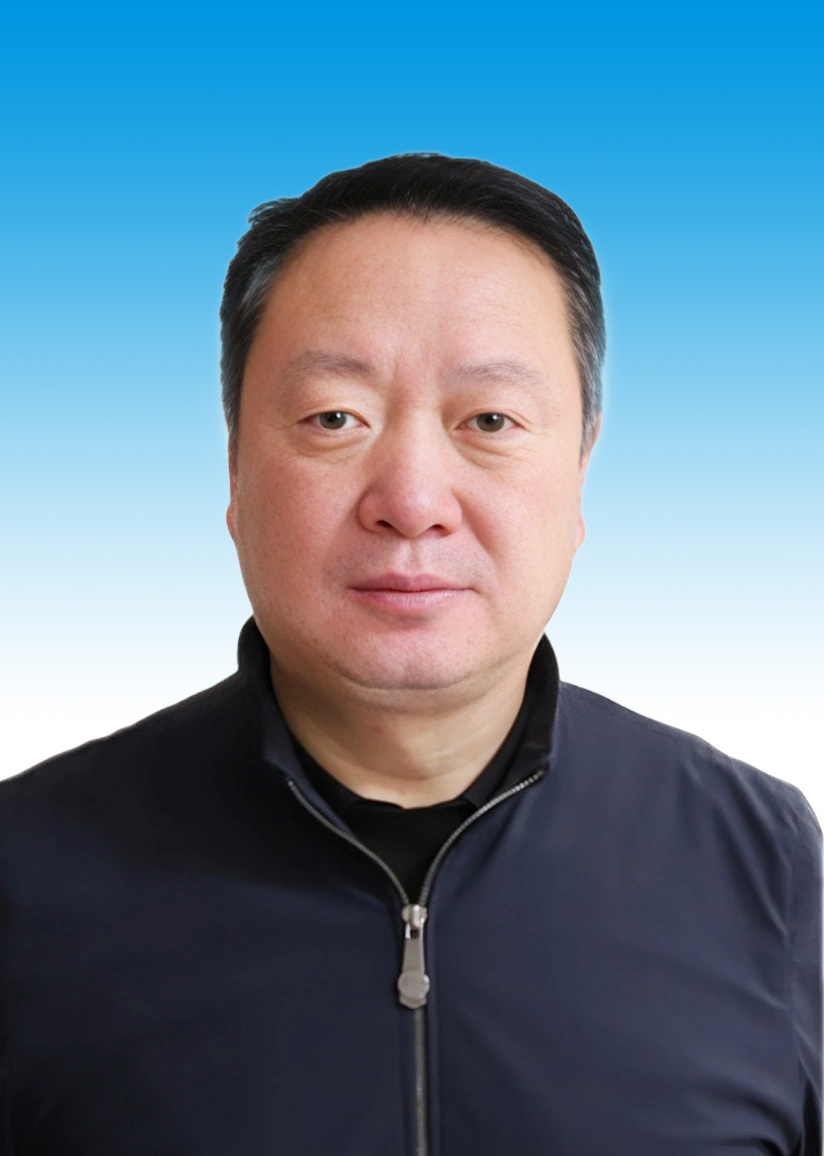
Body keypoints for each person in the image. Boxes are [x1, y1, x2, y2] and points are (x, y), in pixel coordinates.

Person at [0, 154, 819, 1156]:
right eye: (334, 417)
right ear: (234, 464)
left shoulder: (762, 862)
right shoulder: (25, 875)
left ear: (580, 466)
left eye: (489, 420)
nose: (413, 500)